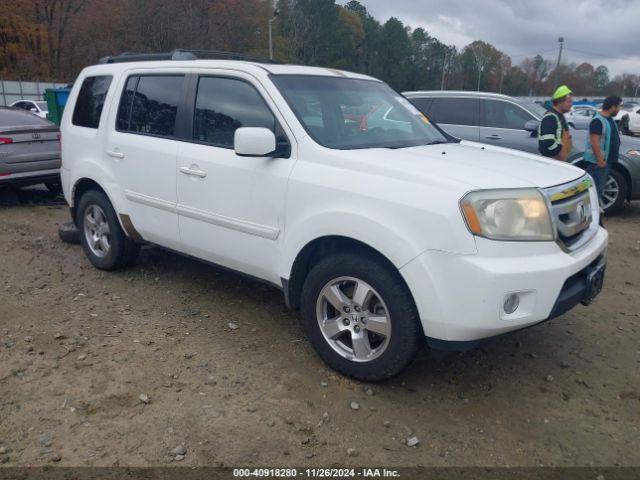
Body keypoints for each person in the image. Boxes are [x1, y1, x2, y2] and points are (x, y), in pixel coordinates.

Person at [583, 95, 622, 203]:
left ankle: (596, 214)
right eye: (619, 106)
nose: (619, 109)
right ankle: (592, 215)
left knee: (598, 190)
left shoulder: (610, 120)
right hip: (598, 164)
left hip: (606, 162)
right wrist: (600, 160)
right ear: (613, 106)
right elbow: (594, 142)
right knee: (594, 191)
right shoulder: (598, 121)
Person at [538, 85, 574, 161]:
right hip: (553, 162)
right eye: (568, 102)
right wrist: (558, 154)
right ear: (559, 102)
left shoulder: (560, 116)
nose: (571, 104)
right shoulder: (550, 117)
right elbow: (548, 141)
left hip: (560, 162)